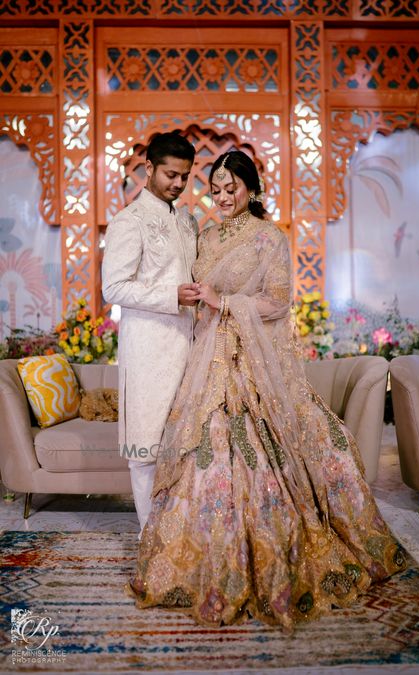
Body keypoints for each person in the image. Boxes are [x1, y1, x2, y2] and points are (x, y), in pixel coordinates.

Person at [126, 150, 406, 633]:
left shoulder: (269, 239)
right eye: (215, 188)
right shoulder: (205, 235)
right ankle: (198, 557)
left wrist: (223, 301)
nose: (222, 196)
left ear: (252, 189)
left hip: (254, 360)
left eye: (231, 187)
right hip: (207, 359)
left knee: (303, 445)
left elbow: (278, 301)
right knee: (204, 448)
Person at [102, 131, 199, 538]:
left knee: (187, 444)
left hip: (189, 347)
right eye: (170, 174)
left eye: (184, 176)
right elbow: (113, 288)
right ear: (149, 169)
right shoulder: (130, 221)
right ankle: (151, 538)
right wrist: (170, 295)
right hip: (147, 349)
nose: (178, 183)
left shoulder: (188, 221)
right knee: (145, 450)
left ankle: (182, 535)